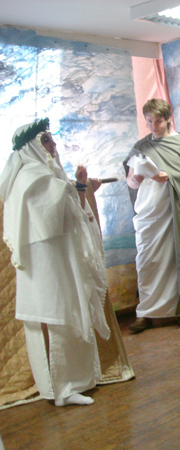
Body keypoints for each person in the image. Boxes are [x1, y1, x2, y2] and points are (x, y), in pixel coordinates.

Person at [0, 118, 110, 406]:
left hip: (58, 259)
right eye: (46, 140)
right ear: (32, 146)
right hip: (46, 263)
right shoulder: (31, 177)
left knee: (68, 313)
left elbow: (71, 208)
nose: (53, 144)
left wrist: (79, 186)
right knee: (59, 316)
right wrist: (78, 186)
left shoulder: (46, 174)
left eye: (51, 138)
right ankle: (62, 389)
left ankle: (75, 382)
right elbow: (53, 217)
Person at [125, 99, 180, 333]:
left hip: (175, 210)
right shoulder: (141, 147)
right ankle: (146, 312)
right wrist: (136, 179)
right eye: (149, 121)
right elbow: (130, 181)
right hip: (149, 212)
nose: (153, 126)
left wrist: (168, 176)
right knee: (147, 261)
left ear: (168, 118)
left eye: (157, 121)